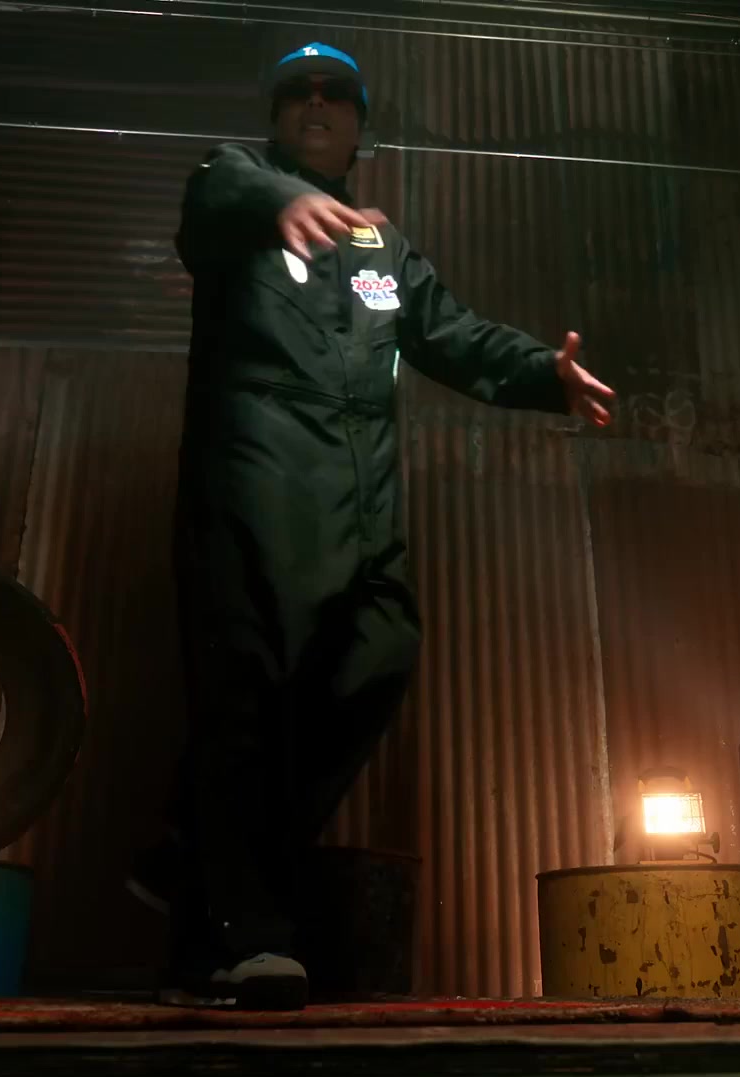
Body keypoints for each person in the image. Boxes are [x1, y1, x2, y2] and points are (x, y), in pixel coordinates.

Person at [132, 41, 616, 1010]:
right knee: (252, 695)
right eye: (297, 93)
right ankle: (248, 935)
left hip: (364, 492)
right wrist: (279, 199)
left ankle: (186, 852)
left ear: (360, 125)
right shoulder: (239, 193)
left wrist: (542, 373)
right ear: (276, 118)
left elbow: (450, 332)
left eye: (335, 95)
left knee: (378, 657)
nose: (315, 104)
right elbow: (217, 189)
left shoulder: (378, 248)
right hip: (259, 477)